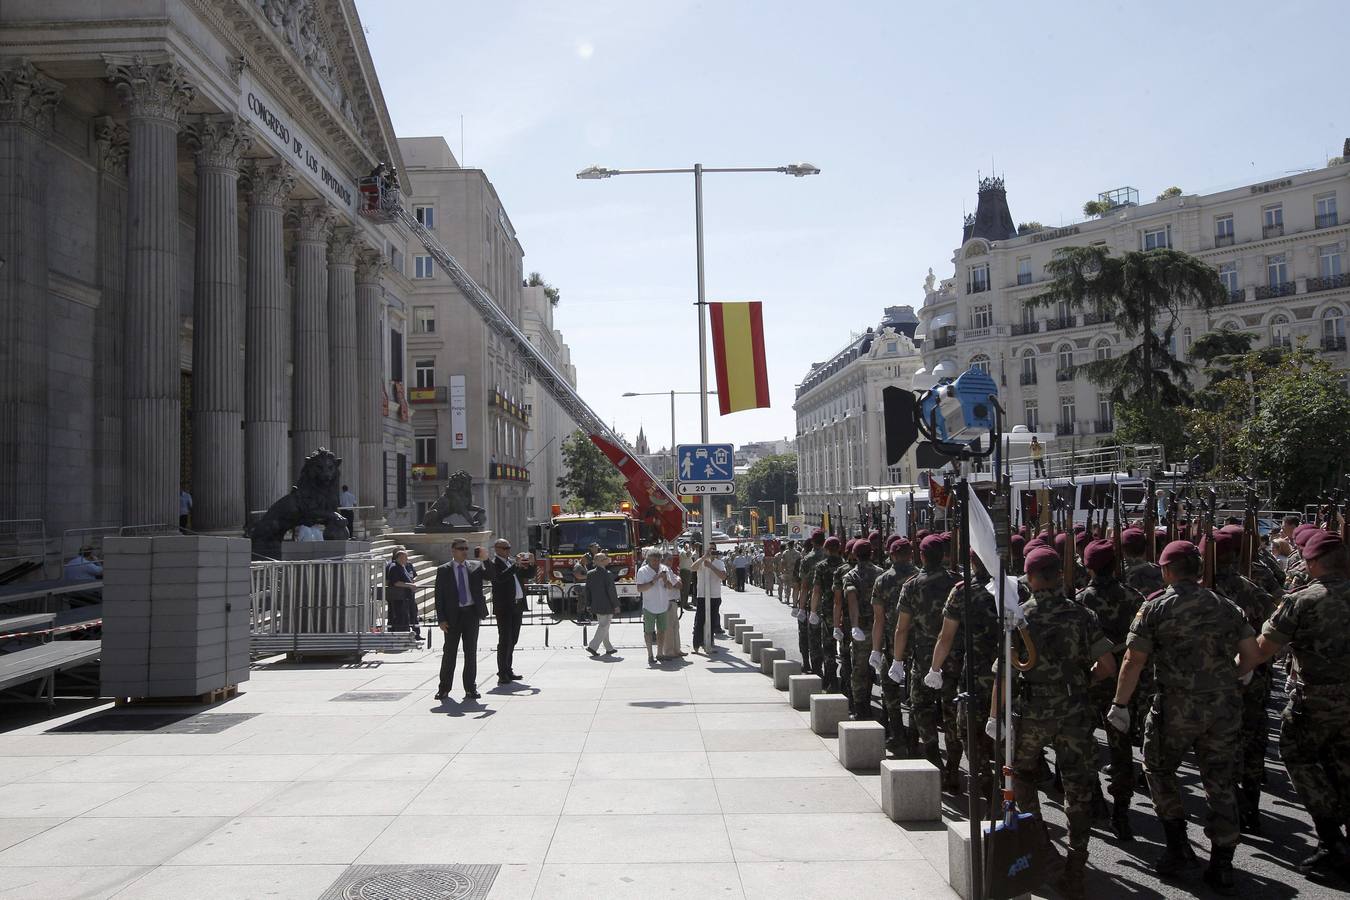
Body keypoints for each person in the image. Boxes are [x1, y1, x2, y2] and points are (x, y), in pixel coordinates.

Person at [1108, 540, 1258, 894]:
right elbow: (1251, 655)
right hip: (1222, 706)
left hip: (1175, 706)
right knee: (1219, 779)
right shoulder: (1227, 606)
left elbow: (1133, 661)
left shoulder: (1156, 608)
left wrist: (1120, 704)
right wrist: (1231, 675)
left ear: (1167, 570)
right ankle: (1222, 862)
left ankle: (1178, 846)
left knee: (1158, 769)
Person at [995, 545, 1116, 900]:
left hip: (1032, 712)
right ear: (1059, 577)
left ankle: (1043, 851)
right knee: (1078, 788)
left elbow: (1003, 673)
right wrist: (1079, 682)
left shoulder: (1017, 617)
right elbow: (1107, 666)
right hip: (1074, 712)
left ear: (1030, 580)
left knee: (1020, 775)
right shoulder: (1082, 615)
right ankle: (1077, 867)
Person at [1240, 529, 1350, 881]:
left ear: (1314, 563)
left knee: (1299, 757)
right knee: (1342, 761)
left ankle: (1332, 839)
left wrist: (1235, 673)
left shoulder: (1304, 600)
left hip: (1316, 700)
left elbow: (1261, 649)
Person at [1075, 538, 1144, 838]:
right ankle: (1122, 812)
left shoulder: (1080, 600)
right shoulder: (1134, 596)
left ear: (1088, 568)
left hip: (1092, 679)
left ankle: (1094, 801)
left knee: (1085, 743)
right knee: (1121, 747)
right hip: (1124, 682)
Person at [1209, 527, 1276, 834]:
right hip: (1254, 671)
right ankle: (1251, 802)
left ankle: (1229, 807)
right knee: (1253, 738)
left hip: (1218, 679)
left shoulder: (1203, 591)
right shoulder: (1251, 588)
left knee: (1223, 744)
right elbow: (1274, 622)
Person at [892, 534, 961, 788]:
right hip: (954, 658)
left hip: (923, 659)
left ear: (921, 556)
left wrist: (897, 660)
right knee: (953, 714)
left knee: (922, 710)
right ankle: (953, 769)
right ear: (943, 555)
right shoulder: (957, 583)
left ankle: (933, 759)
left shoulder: (911, 586)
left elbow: (902, 628)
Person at [874, 538, 916, 757]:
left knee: (890, 692)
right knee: (918, 695)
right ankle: (915, 738)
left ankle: (897, 734)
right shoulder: (919, 577)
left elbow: (879, 619)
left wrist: (876, 647)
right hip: (919, 642)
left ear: (891, 555)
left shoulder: (883, 580)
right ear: (911, 555)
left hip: (892, 642)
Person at [434, 538, 488, 701]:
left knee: (470, 653)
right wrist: (441, 619)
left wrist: (485, 559)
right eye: (461, 548)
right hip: (452, 617)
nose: (465, 551)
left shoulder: (476, 566)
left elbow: (493, 576)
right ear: (453, 551)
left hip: (471, 614)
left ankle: (470, 688)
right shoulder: (444, 570)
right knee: (449, 653)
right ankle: (444, 688)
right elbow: (439, 596)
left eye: (466, 548)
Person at [843, 542, 882, 723]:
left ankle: (862, 709)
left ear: (855, 555)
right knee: (878, 669)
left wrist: (855, 625)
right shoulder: (881, 574)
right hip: (880, 628)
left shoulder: (851, 575)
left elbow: (852, 601)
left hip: (863, 629)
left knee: (859, 671)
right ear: (871, 553)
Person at [486, 538, 527, 686]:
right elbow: (500, 578)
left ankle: (508, 669)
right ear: (496, 549)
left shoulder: (511, 562)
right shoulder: (493, 564)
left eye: (509, 547)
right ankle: (502, 672)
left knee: (513, 640)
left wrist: (531, 564)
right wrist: (515, 565)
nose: (508, 550)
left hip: (517, 606)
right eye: (505, 548)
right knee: (505, 640)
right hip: (504, 607)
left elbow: (526, 575)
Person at [810, 536, 846, 691]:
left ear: (826, 549)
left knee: (829, 646)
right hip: (845, 610)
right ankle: (845, 681)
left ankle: (831, 679)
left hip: (828, 610)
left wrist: (813, 610)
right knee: (845, 647)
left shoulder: (821, 566)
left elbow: (816, 591)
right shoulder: (845, 566)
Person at [636, 548, 680, 664]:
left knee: (662, 631)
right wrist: (653, 581)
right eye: (653, 560)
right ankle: (650, 654)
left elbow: (670, 587)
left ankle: (660, 653)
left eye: (658, 560)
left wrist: (665, 580)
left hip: (663, 606)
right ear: (648, 559)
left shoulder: (664, 569)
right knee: (648, 631)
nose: (656, 562)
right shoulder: (642, 571)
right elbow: (639, 588)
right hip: (649, 606)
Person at [691, 545, 726, 653]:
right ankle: (696, 645)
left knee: (711, 621)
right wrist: (703, 558)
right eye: (709, 549)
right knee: (700, 621)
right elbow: (692, 568)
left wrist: (711, 566)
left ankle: (709, 644)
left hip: (714, 595)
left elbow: (723, 576)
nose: (711, 551)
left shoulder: (719, 562)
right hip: (702, 595)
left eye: (713, 549)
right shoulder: (700, 561)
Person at [584, 552, 619, 656]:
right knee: (604, 626)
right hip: (607, 604)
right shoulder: (607, 574)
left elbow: (587, 590)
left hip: (596, 603)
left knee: (604, 625)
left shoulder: (590, 573)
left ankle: (608, 647)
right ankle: (592, 646)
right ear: (601, 561)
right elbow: (611, 591)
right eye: (605, 558)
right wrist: (616, 605)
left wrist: (589, 603)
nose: (608, 559)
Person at [384, 548, 422, 638]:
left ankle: (414, 634)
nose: (407, 559)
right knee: (400, 619)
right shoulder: (394, 567)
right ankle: (400, 637)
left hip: (407, 598)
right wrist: (410, 585)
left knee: (411, 615)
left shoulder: (403, 566)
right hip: (399, 600)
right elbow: (396, 582)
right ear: (399, 557)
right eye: (405, 557)